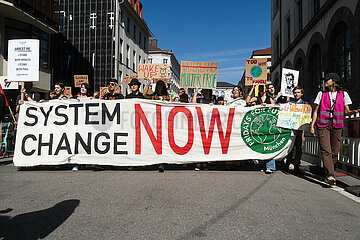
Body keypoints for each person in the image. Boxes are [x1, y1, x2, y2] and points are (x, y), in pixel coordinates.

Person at [310, 73, 359, 186]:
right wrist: (312, 125)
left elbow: (346, 111)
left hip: (337, 124)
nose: (325, 81)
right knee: (326, 150)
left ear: (334, 81)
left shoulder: (343, 94)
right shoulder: (321, 94)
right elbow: (316, 111)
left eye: (327, 80)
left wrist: (353, 112)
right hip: (323, 124)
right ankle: (330, 175)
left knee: (335, 151)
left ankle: (327, 171)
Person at [246, 84, 276, 174]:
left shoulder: (270, 98)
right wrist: (252, 88)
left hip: (268, 124)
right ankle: (262, 164)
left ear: (266, 89)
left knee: (269, 143)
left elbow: (275, 108)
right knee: (260, 143)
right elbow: (247, 101)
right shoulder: (256, 98)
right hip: (259, 124)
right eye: (260, 88)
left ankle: (269, 166)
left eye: (263, 87)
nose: (262, 89)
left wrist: (267, 106)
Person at [143, 79, 171, 172]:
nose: (159, 86)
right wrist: (148, 84)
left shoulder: (167, 96)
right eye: (158, 85)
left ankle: (162, 162)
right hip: (155, 121)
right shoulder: (154, 95)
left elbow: (171, 106)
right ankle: (157, 160)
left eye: (161, 84)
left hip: (165, 121)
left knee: (163, 142)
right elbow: (144, 95)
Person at [284, 86, 308, 174]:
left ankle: (297, 166)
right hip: (290, 129)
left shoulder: (305, 104)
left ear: (301, 94)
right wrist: (288, 105)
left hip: (300, 129)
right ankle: (287, 164)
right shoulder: (290, 103)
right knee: (289, 147)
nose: (296, 94)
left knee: (299, 148)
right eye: (295, 92)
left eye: (298, 92)